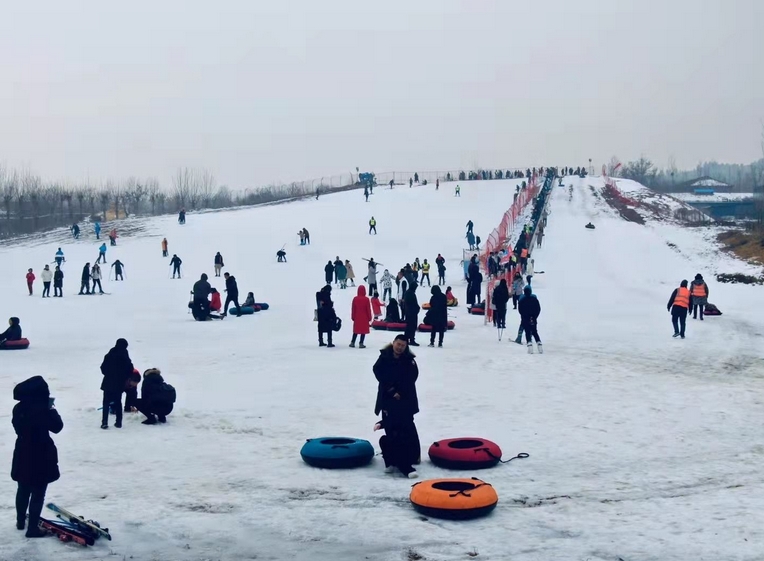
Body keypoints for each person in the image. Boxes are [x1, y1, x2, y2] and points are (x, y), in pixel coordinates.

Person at [11, 376, 64, 537]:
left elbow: (18, 427)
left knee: (23, 489)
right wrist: (51, 409)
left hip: (23, 451)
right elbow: (57, 427)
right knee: (38, 492)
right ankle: (32, 528)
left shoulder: (18, 408)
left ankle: (21, 521)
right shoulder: (43, 409)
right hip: (41, 453)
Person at [373, 335, 421, 478]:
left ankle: (411, 457)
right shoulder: (384, 357)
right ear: (393, 343)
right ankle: (392, 460)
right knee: (390, 430)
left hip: (405, 400)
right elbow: (378, 372)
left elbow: (412, 378)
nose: (399, 347)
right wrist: (391, 390)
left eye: (403, 345)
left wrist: (400, 391)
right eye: (398, 344)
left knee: (406, 429)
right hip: (388, 399)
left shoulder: (409, 360)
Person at [100, 338, 134, 429]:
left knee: (106, 402)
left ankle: (104, 422)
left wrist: (109, 374)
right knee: (118, 402)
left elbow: (103, 368)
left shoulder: (109, 354)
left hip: (108, 382)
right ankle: (118, 422)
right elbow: (130, 368)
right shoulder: (125, 356)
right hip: (119, 383)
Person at [518, 286, 542, 354]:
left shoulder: (522, 300)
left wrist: (523, 316)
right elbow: (538, 309)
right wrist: (535, 316)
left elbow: (520, 310)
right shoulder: (535, 299)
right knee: (534, 331)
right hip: (533, 318)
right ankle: (539, 345)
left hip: (525, 318)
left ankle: (530, 346)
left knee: (527, 332)